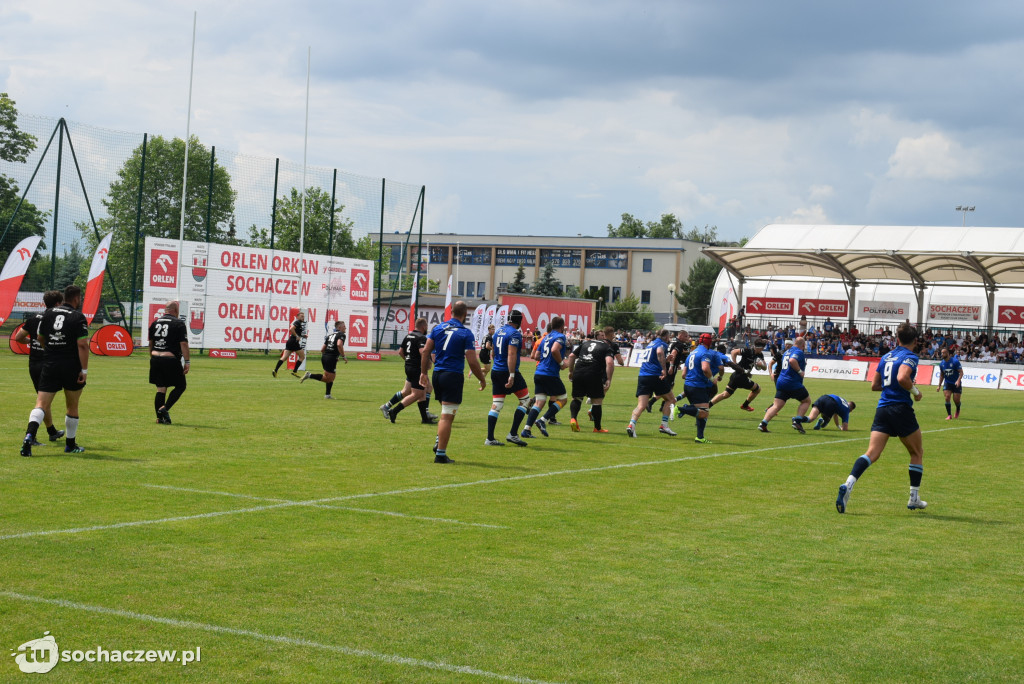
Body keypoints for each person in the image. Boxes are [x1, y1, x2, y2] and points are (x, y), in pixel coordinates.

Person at [836, 322, 927, 513]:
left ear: (897, 339)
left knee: (871, 454)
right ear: (915, 341)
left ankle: (848, 484)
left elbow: (874, 385)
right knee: (916, 452)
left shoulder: (886, 356)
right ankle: (914, 498)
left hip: (883, 410)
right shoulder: (910, 356)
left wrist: (893, 386)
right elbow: (903, 378)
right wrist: (915, 391)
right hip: (900, 409)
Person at [20, 285, 89, 456]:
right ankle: (70, 445)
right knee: (72, 406)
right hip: (71, 366)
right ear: (76, 298)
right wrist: (84, 370)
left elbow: (40, 337)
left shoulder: (48, 314)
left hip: (50, 364)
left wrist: (49, 350)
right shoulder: (78, 317)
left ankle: (29, 436)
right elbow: (82, 345)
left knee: (41, 404)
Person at [420, 300, 487, 464]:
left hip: (438, 374)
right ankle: (440, 454)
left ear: (451, 313)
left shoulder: (438, 328)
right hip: (453, 375)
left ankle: (439, 442)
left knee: (445, 413)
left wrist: (423, 373)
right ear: (465, 315)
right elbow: (472, 361)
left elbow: (426, 351)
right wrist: (482, 379)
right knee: (447, 417)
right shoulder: (465, 333)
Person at [15, 290, 65, 444]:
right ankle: (31, 435)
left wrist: (31, 342)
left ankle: (52, 432)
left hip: (33, 364)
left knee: (43, 401)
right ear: (57, 304)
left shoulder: (34, 318)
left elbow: (18, 337)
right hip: (48, 364)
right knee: (43, 403)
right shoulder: (56, 320)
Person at [677, 333, 740, 443]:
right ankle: (681, 409)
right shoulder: (709, 353)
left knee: (702, 409)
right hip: (699, 385)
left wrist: (693, 377)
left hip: (689, 385)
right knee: (705, 412)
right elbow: (710, 368)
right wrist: (713, 379)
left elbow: (683, 375)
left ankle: (700, 437)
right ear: (709, 342)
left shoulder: (692, 353)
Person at [485, 309, 530, 446]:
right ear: (519, 321)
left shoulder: (498, 331)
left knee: (497, 405)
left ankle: (490, 438)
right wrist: (511, 375)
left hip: (496, 370)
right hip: (507, 371)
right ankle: (513, 434)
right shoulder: (515, 333)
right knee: (525, 400)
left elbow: (493, 350)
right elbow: (511, 354)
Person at [380, 318, 435, 422]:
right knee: (417, 394)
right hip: (417, 368)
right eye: (426, 326)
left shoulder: (408, 336)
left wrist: (408, 360)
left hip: (408, 367)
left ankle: (425, 418)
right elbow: (423, 352)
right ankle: (394, 411)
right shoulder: (421, 337)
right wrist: (428, 363)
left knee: (422, 390)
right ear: (423, 326)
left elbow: (400, 352)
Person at [522, 317, 569, 438]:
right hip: (550, 374)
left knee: (539, 402)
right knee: (563, 399)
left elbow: (537, 356)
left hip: (539, 373)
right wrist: (561, 363)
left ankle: (526, 430)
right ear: (562, 326)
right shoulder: (560, 336)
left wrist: (546, 359)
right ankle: (542, 420)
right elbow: (554, 350)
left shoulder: (545, 337)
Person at [627, 329, 677, 438]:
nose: (669, 339)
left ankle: (631, 425)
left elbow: (654, 358)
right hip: (655, 375)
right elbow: (659, 353)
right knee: (671, 400)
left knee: (641, 405)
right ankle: (664, 425)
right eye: (668, 336)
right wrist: (664, 369)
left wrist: (666, 360)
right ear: (665, 336)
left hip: (643, 375)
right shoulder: (661, 343)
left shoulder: (651, 343)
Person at [148, 300, 191, 424]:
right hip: (170, 358)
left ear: (165, 310)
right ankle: (164, 408)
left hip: (155, 357)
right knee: (181, 386)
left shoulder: (155, 322)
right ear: (176, 311)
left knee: (161, 389)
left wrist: (152, 356)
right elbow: (183, 343)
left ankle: (160, 418)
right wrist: (187, 361)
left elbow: (151, 342)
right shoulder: (179, 323)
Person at [759, 336, 811, 433]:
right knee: (806, 401)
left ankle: (763, 423)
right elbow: (792, 361)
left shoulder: (787, 352)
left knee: (776, 405)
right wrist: (800, 371)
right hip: (792, 382)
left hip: (781, 381)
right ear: (803, 345)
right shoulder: (798, 352)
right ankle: (797, 421)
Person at [567, 330, 615, 433]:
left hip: (578, 372)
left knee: (577, 398)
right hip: (593, 373)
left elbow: (571, 356)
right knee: (597, 401)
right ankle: (597, 428)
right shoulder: (606, 347)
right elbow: (610, 363)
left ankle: (573, 418)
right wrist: (608, 379)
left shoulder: (585, 343)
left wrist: (571, 371)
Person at [710, 339, 767, 412]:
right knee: (757, 389)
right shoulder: (748, 351)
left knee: (725, 394)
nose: (762, 350)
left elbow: (765, 368)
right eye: (762, 348)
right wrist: (735, 365)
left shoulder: (760, 354)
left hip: (737, 376)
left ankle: (708, 406)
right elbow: (733, 352)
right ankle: (745, 405)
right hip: (741, 376)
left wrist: (761, 365)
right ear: (758, 347)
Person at [302, 321, 347, 399]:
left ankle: (327, 395)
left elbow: (322, 349)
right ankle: (310, 375)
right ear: (339, 327)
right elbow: (339, 344)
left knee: (328, 376)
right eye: (344, 326)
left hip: (325, 357)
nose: (345, 328)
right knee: (329, 378)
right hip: (331, 358)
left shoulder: (330, 335)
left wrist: (331, 356)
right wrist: (343, 356)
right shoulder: (341, 335)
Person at [273, 309, 307, 377]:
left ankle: (275, 370)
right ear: (297, 317)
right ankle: (294, 371)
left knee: (284, 357)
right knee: (302, 356)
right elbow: (291, 329)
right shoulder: (297, 322)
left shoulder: (298, 323)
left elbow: (295, 332)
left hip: (290, 341)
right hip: (294, 342)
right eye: (301, 316)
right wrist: (297, 336)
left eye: (303, 316)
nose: (303, 318)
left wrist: (303, 335)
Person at [936, 346, 963, 419]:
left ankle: (958, 408)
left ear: (948, 353)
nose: (942, 354)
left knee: (956, 400)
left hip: (956, 383)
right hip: (947, 383)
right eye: (941, 353)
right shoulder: (941, 364)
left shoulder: (955, 361)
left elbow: (961, 372)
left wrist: (958, 380)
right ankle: (949, 415)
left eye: (944, 353)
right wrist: (939, 386)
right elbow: (942, 375)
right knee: (947, 397)